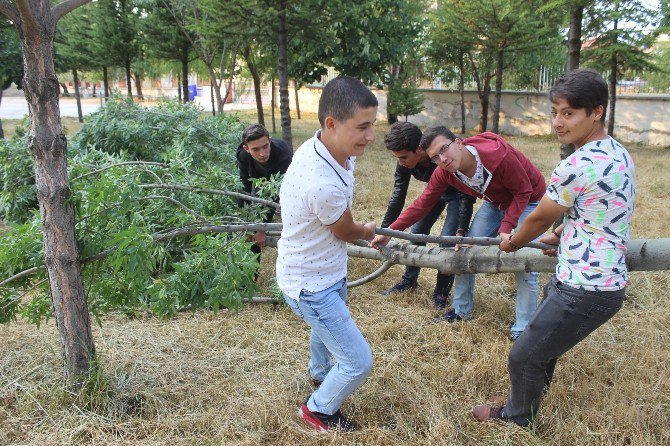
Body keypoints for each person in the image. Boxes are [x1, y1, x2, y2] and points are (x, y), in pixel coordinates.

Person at [472, 68, 636, 426]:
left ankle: (516, 417)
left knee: (523, 356)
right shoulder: (618, 153)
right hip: (592, 278)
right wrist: (565, 234)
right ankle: (524, 397)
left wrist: (512, 241)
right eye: (555, 112)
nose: (558, 122)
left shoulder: (575, 165)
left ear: (597, 112)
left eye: (569, 113)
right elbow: (600, 207)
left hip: (586, 286)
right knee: (539, 349)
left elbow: (537, 219)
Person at [371, 127, 546, 340]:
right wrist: (390, 231)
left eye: (445, 149)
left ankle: (523, 328)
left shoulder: (497, 155)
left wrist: (506, 228)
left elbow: (523, 191)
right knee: (463, 253)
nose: (443, 159)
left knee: (524, 261)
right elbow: (422, 203)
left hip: (530, 200)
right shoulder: (444, 172)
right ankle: (461, 311)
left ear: (459, 142)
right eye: (435, 157)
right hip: (495, 203)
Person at [276, 76, 378, 432]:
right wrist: (366, 232)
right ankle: (318, 409)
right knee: (357, 361)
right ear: (331, 124)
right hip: (310, 283)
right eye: (362, 127)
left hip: (327, 270)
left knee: (324, 331)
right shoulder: (321, 181)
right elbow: (346, 231)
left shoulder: (331, 149)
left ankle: (320, 376)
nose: (371, 136)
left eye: (372, 125)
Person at [379, 122, 475, 309]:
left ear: (420, 150)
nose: (401, 162)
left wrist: (461, 230)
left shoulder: (443, 155)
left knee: (447, 240)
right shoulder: (405, 163)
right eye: (397, 158)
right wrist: (384, 230)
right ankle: (410, 280)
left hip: (459, 194)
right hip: (433, 193)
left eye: (404, 157)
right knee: (417, 231)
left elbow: (467, 194)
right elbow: (398, 195)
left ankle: (441, 293)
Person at [236, 123, 292, 258]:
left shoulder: (283, 156)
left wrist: (262, 228)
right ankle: (251, 276)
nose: (262, 153)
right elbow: (244, 189)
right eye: (255, 149)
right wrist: (245, 225)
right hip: (259, 178)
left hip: (285, 182)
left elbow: (273, 196)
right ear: (246, 149)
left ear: (270, 140)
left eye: (266, 146)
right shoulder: (243, 155)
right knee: (249, 234)